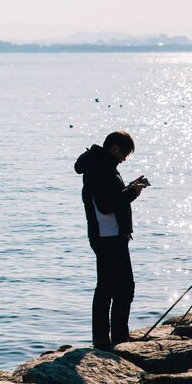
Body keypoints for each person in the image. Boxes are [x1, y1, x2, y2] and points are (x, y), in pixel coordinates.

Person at [74, 130, 149, 351]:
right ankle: (117, 339)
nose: (125, 158)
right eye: (124, 153)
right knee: (123, 287)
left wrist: (127, 189)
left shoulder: (99, 166)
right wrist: (133, 192)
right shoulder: (100, 169)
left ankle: (105, 339)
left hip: (107, 235)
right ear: (115, 147)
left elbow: (108, 199)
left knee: (107, 287)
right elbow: (106, 206)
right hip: (108, 236)